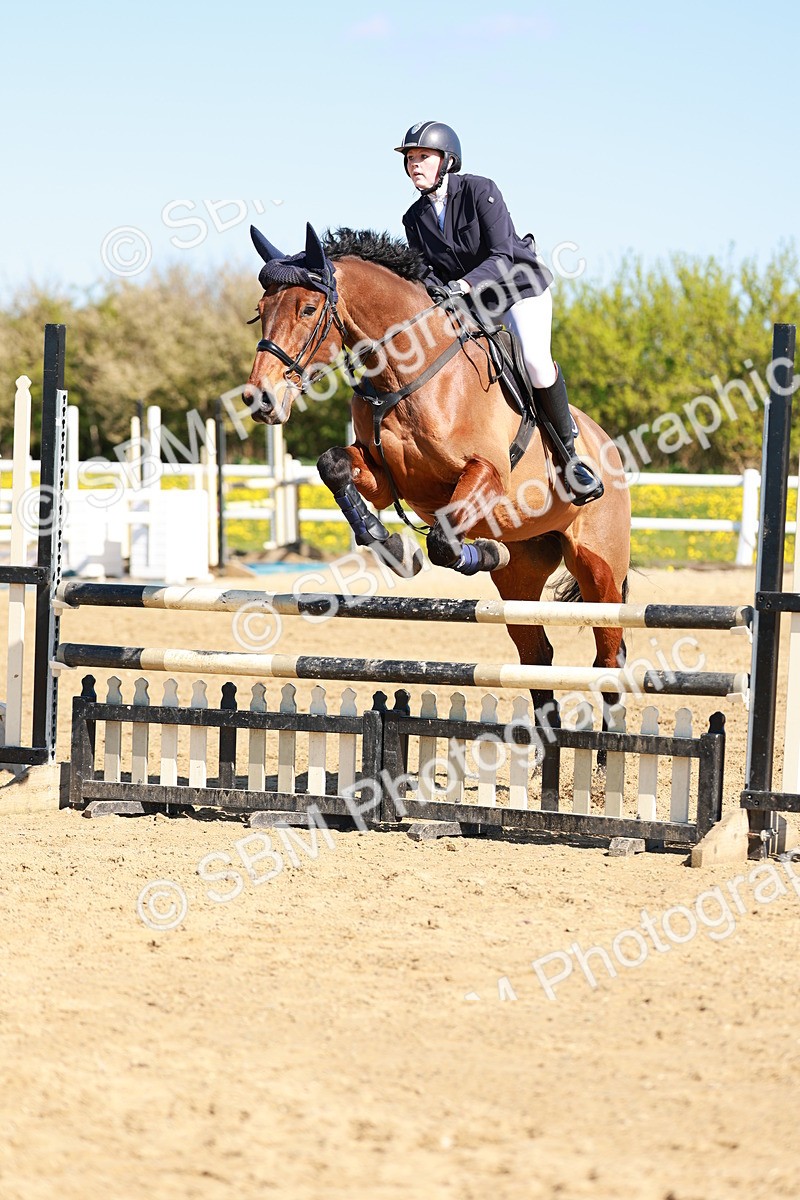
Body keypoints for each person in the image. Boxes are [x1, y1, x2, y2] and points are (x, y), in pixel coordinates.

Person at [396, 120, 603, 505]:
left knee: (535, 363)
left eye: (423, 156)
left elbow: (503, 254)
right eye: (410, 159)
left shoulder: (480, 190)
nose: (415, 165)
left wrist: (461, 286)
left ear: (447, 160)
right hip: (474, 305)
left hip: (519, 288)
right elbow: (424, 270)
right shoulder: (413, 218)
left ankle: (571, 456)